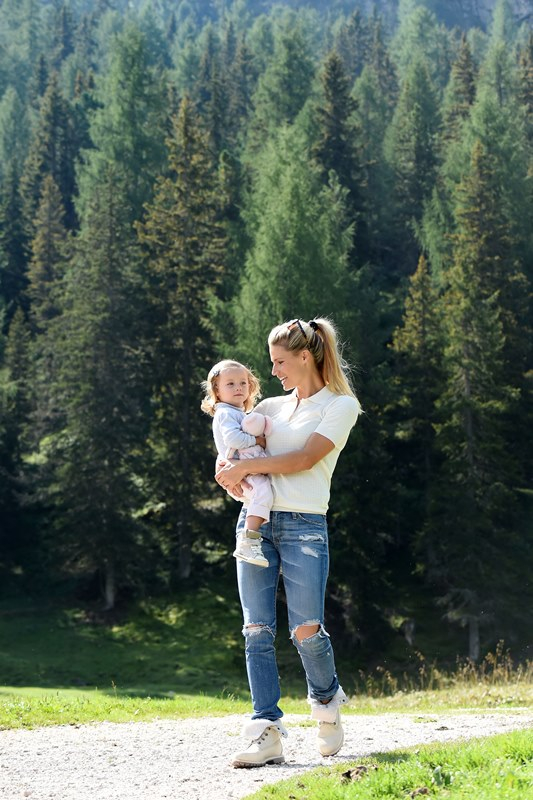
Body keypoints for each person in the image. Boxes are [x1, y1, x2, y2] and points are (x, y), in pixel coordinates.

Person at [215, 317, 361, 768]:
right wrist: (228, 473)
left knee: (306, 631)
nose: (273, 371)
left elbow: (302, 458)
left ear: (305, 356)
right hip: (256, 521)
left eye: (280, 361)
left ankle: (325, 701)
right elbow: (238, 451)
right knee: (256, 629)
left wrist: (243, 470)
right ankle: (266, 730)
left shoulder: (340, 405)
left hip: (304, 526)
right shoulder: (273, 408)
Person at [201, 359, 274, 567]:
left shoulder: (237, 412)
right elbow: (233, 440)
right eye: (230, 384)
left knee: (263, 495)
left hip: (247, 466)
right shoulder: (225, 413)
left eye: (243, 383)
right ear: (217, 389)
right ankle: (248, 541)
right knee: (263, 493)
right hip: (242, 469)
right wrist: (258, 441)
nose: (238, 388)